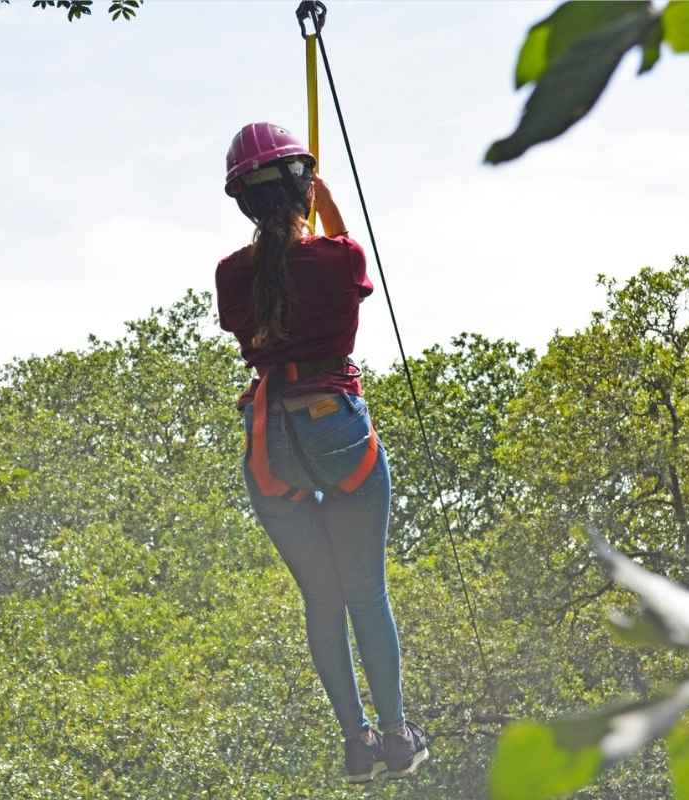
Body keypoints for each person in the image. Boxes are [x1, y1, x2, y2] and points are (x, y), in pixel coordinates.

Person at [215, 122, 429, 784]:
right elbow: (342, 247)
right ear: (304, 190)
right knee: (367, 591)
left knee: (322, 599)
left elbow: (251, 308)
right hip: (336, 431)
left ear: (244, 203)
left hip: (270, 444)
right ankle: (396, 735)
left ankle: (355, 743)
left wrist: (300, 205)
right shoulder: (338, 260)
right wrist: (323, 198)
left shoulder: (230, 274)